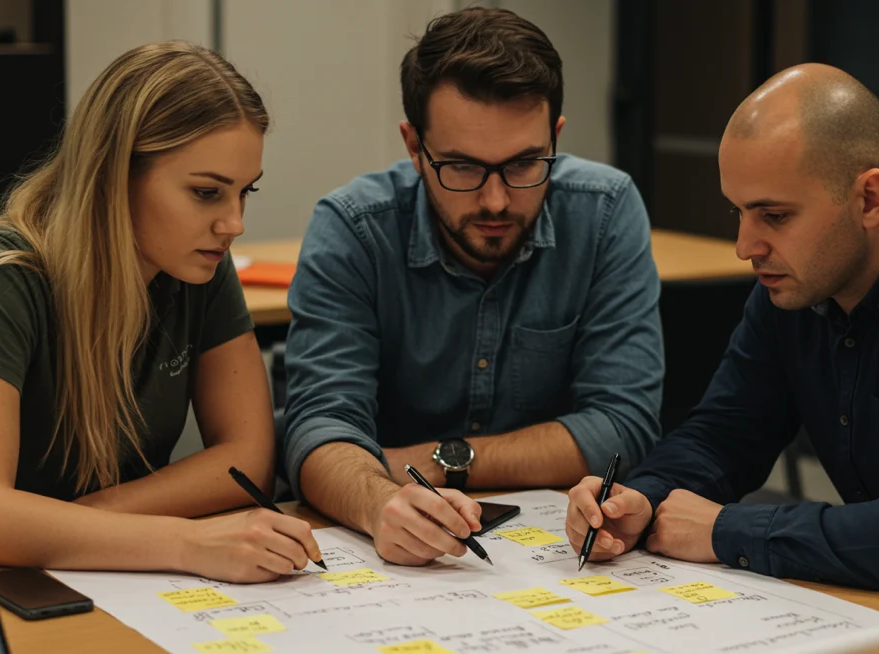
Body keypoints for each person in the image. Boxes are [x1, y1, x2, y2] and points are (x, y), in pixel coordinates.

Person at [566, 63, 879, 614]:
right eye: (738, 212)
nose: (745, 246)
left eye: (775, 215)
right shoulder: (797, 287)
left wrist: (723, 530)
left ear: (870, 199)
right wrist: (642, 497)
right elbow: (724, 434)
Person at [0, 41, 321, 583]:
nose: (234, 224)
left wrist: (84, 523)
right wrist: (185, 540)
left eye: (246, 192)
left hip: (104, 572)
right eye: (205, 193)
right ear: (113, 175)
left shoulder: (199, 266)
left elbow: (245, 460)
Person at [280, 7, 663, 566]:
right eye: (460, 167)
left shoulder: (604, 211)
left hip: (551, 551)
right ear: (414, 146)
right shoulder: (355, 227)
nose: (495, 201)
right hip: (389, 550)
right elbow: (319, 428)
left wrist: (440, 461)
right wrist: (379, 500)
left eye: (525, 163)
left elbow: (622, 426)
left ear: (555, 136)